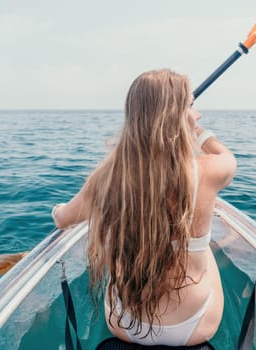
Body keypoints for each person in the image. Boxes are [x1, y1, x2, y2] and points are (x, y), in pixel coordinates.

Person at [52, 69, 236, 346]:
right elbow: (227, 157)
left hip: (126, 325)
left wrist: (58, 209)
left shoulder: (106, 178)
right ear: (175, 116)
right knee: (207, 254)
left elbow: (62, 218)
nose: (197, 115)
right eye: (192, 106)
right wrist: (198, 133)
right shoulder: (208, 172)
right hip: (194, 326)